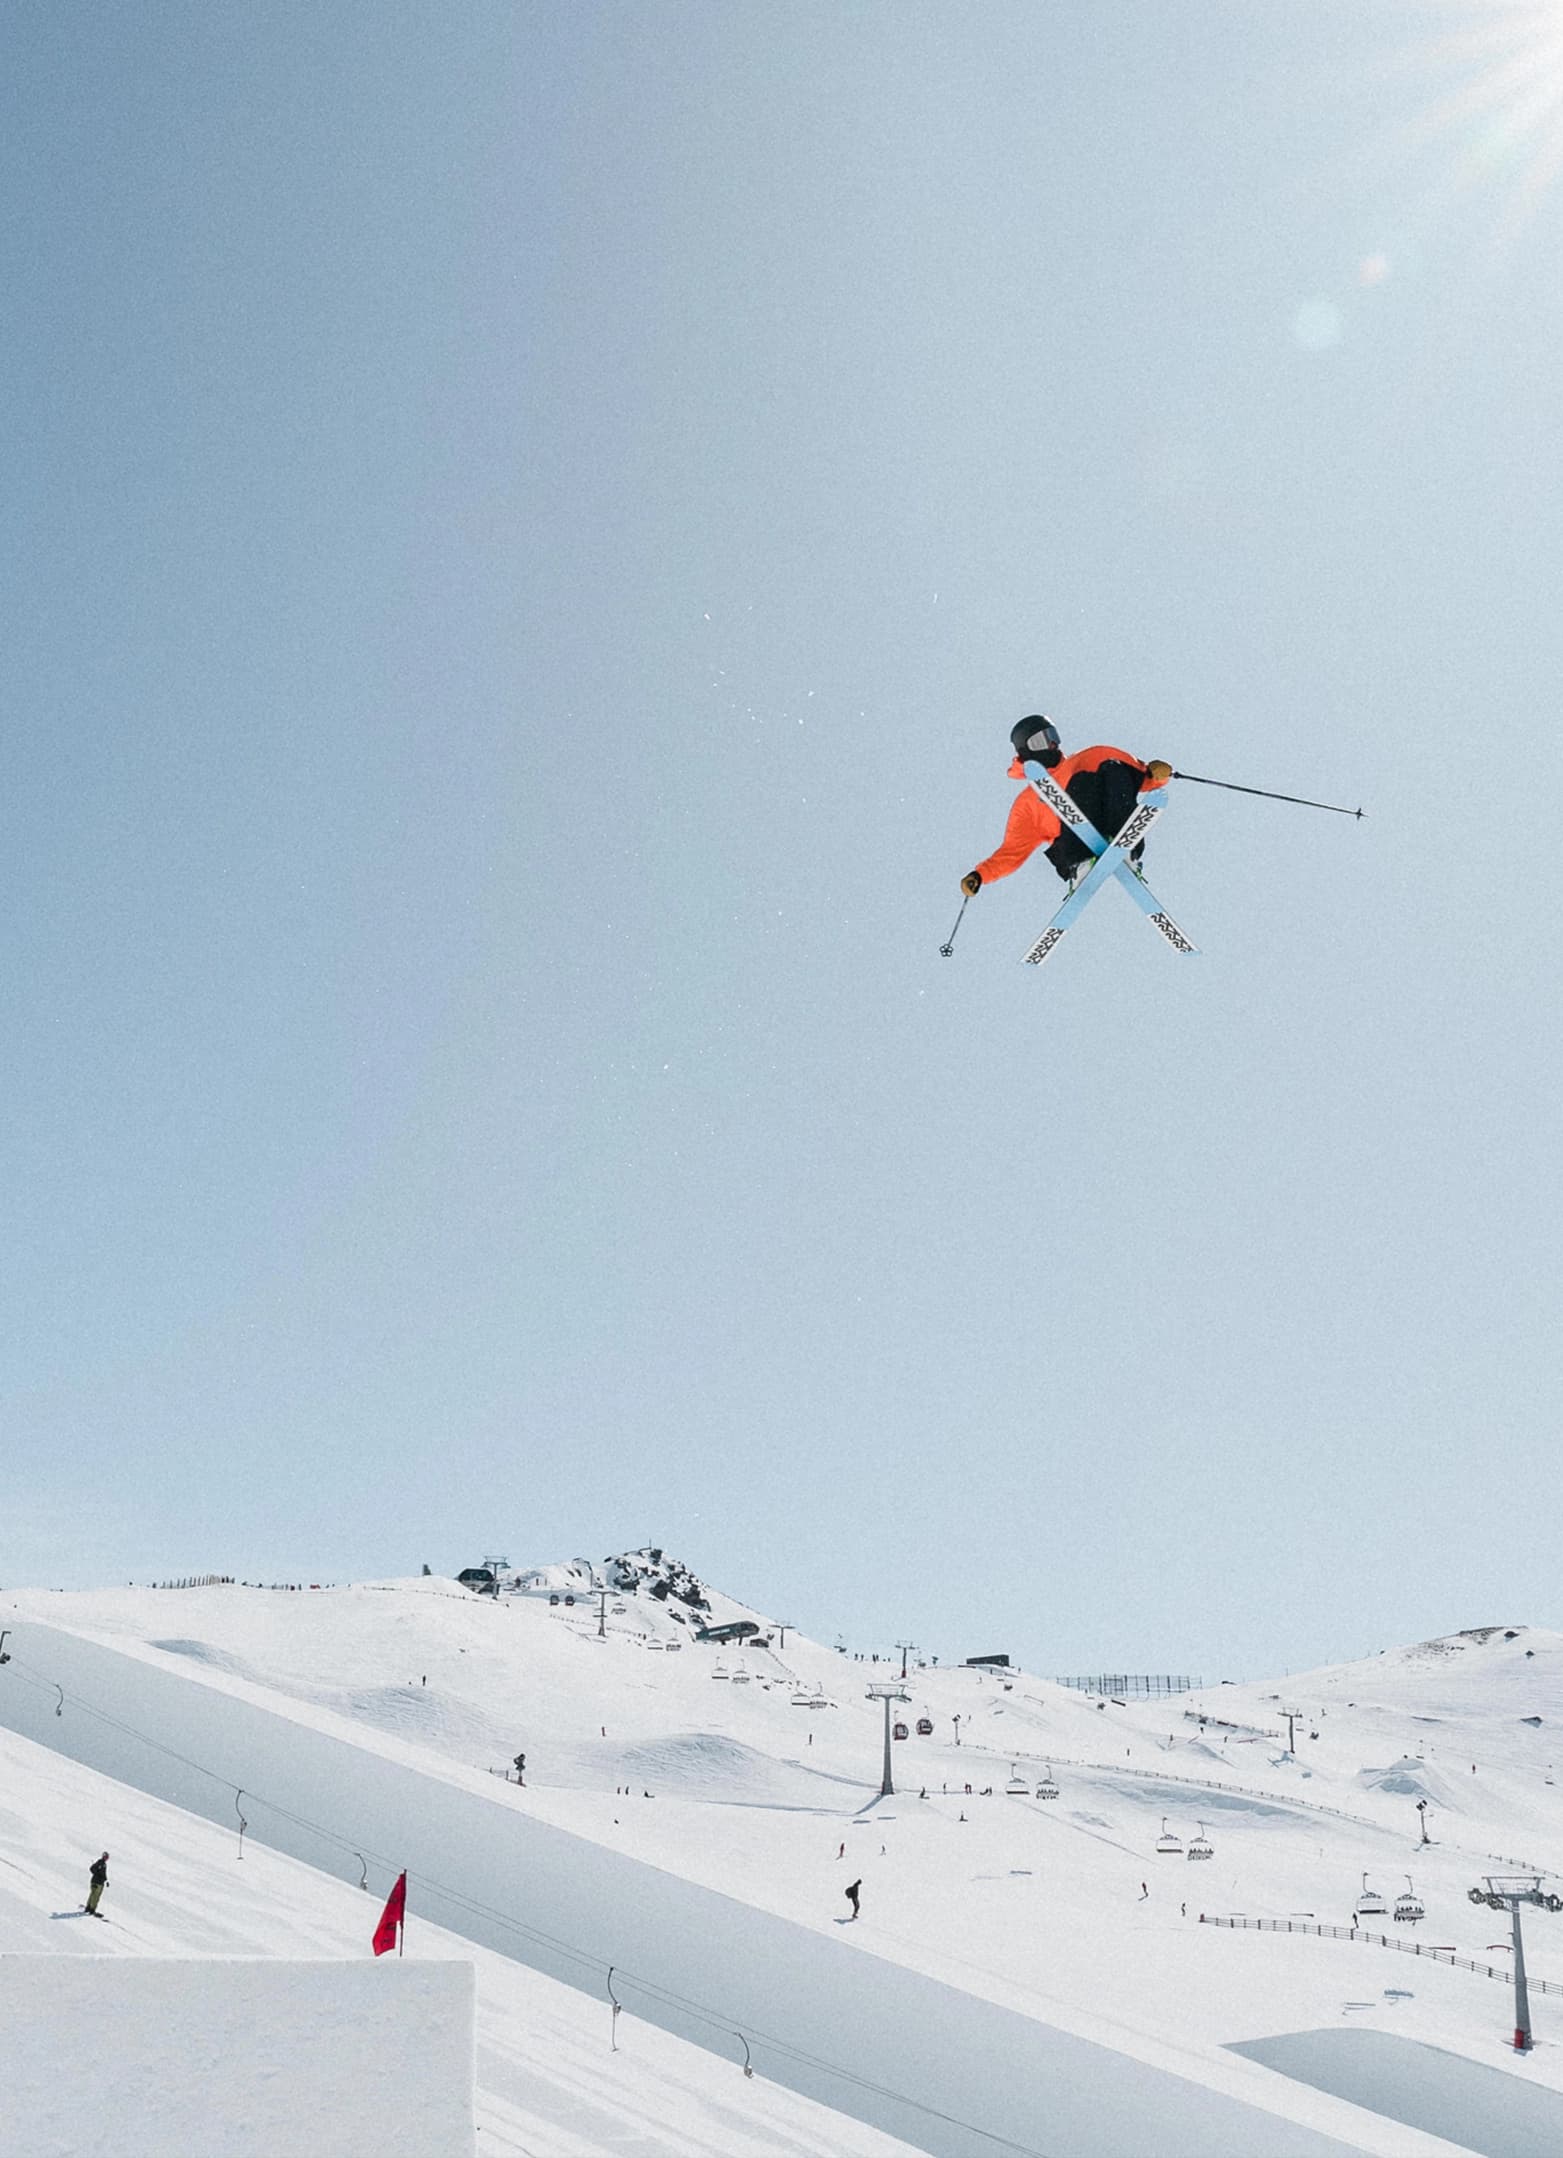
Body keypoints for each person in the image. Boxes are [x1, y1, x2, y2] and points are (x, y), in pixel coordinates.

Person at [961, 717, 1172, 894]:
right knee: (1079, 782)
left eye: (1052, 736)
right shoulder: (1028, 802)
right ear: (1025, 751)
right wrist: (980, 875)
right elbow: (1012, 852)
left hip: (1112, 823)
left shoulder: (1088, 758)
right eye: (1041, 741)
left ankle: (1125, 845)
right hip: (1071, 847)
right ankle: (1081, 865)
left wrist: (1157, 774)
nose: (1052, 744)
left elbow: (1141, 777)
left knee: (1110, 767)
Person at [85, 1852, 109, 1916]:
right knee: (96, 1896)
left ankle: (88, 1907)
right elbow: (100, 1873)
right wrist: (98, 1875)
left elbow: (93, 1869)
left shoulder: (100, 1863)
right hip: (98, 1883)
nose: (106, 1858)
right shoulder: (102, 1864)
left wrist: (106, 1880)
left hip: (94, 1881)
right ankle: (92, 1909)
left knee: (92, 1894)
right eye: (106, 1857)